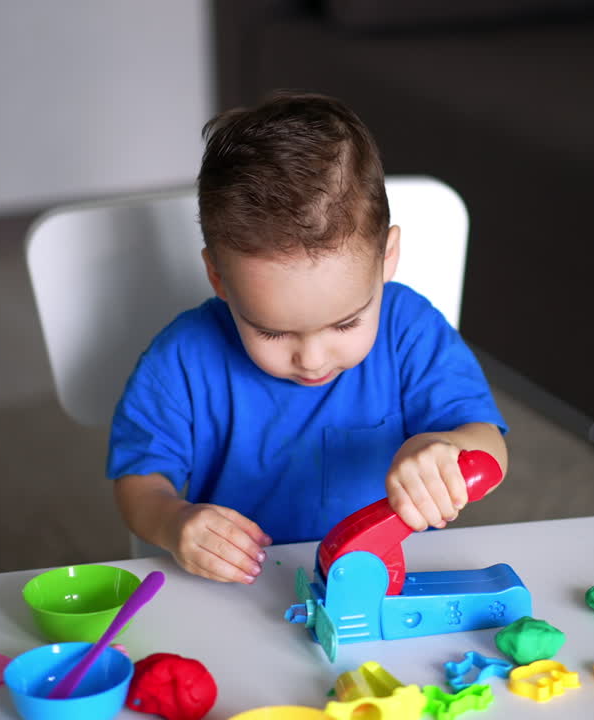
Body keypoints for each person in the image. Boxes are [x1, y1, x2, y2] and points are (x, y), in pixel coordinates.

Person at [108, 91, 508, 584]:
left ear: (387, 258)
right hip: (244, 588)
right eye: (272, 331)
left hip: (384, 582)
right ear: (218, 277)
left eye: (344, 324)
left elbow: (489, 445)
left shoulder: (410, 330)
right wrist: (172, 522)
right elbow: (138, 480)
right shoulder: (185, 356)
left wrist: (446, 448)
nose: (312, 359)